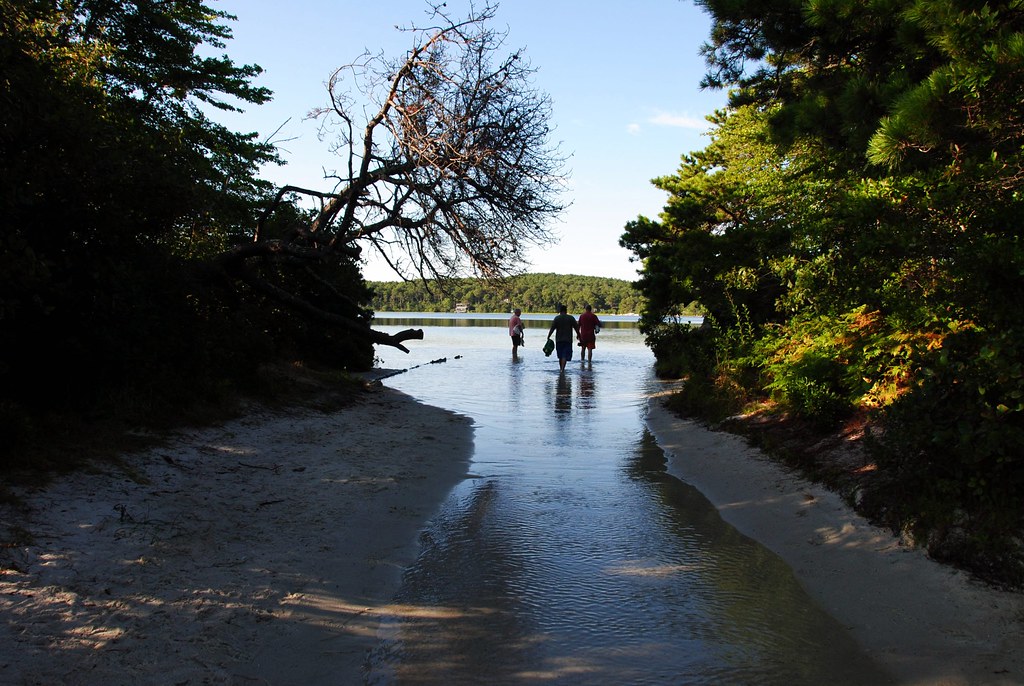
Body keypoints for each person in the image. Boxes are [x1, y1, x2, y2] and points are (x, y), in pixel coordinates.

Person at [546, 304, 580, 372]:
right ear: (566, 311)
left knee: (560, 356)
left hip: (559, 340)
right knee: (564, 355)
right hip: (568, 340)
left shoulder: (557, 318)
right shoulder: (571, 318)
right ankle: (562, 369)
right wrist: (579, 336)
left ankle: (561, 369)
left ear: (560, 311)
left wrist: (548, 336)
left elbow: (552, 329)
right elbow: (576, 328)